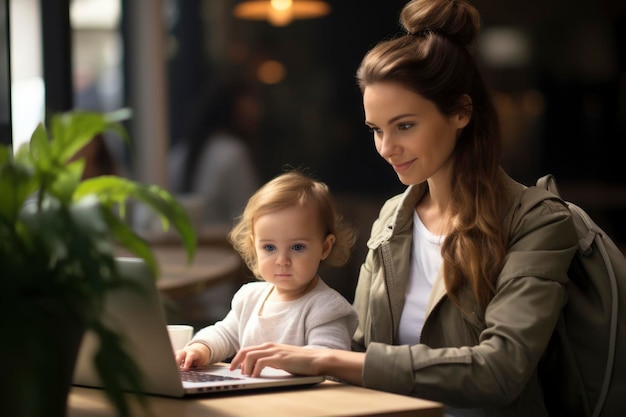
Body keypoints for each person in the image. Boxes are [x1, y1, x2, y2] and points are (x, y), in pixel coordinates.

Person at [227, 1, 579, 416]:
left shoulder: (537, 222)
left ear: (461, 112)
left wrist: (326, 360)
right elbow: (358, 345)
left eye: (405, 126)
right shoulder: (393, 218)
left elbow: (499, 370)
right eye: (376, 130)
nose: (386, 149)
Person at [175, 170, 359, 369]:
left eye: (297, 247)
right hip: (251, 396)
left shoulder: (326, 308)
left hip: (302, 399)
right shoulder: (249, 298)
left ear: (324, 248)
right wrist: (201, 348)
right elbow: (225, 334)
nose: (282, 260)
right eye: (269, 248)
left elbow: (329, 359)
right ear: (255, 246)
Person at [168, 77, 262, 228]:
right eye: (251, 103)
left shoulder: (179, 153)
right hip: (224, 246)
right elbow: (249, 218)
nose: (257, 111)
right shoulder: (233, 154)